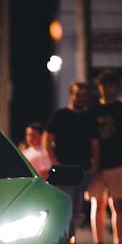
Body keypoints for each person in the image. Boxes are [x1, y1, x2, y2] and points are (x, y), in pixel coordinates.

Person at [86, 69, 122, 244]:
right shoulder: (92, 110)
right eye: (103, 85)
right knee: (96, 205)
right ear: (99, 87)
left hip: (117, 163)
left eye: (110, 84)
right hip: (97, 166)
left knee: (118, 206)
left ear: (115, 86)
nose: (106, 89)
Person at [43, 81, 100, 231]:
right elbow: (47, 139)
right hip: (64, 172)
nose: (81, 98)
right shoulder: (60, 115)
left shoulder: (89, 117)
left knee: (76, 213)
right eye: (78, 95)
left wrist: (95, 165)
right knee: (64, 212)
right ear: (71, 96)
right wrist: (55, 162)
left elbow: (95, 143)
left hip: (83, 171)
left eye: (84, 96)